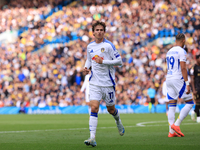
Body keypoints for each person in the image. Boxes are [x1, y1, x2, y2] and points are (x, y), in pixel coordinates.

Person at [83, 21, 125, 147]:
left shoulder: (109, 46)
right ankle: (92, 137)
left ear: (104, 32)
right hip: (94, 82)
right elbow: (89, 60)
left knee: (111, 109)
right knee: (94, 107)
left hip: (108, 83)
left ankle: (118, 121)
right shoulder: (90, 47)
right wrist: (86, 67)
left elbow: (119, 62)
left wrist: (104, 62)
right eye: (97, 30)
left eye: (101, 29)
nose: (99, 31)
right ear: (93, 32)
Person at [166, 33, 194, 138]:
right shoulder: (182, 51)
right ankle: (176, 125)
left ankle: (171, 133)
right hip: (177, 79)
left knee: (172, 105)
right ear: (183, 40)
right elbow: (183, 68)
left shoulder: (169, 51)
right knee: (190, 102)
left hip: (168, 78)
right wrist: (187, 83)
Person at [190, 51, 200, 123]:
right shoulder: (194, 68)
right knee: (198, 101)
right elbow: (192, 79)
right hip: (197, 87)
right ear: (197, 59)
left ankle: (194, 111)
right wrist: (193, 89)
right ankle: (198, 117)